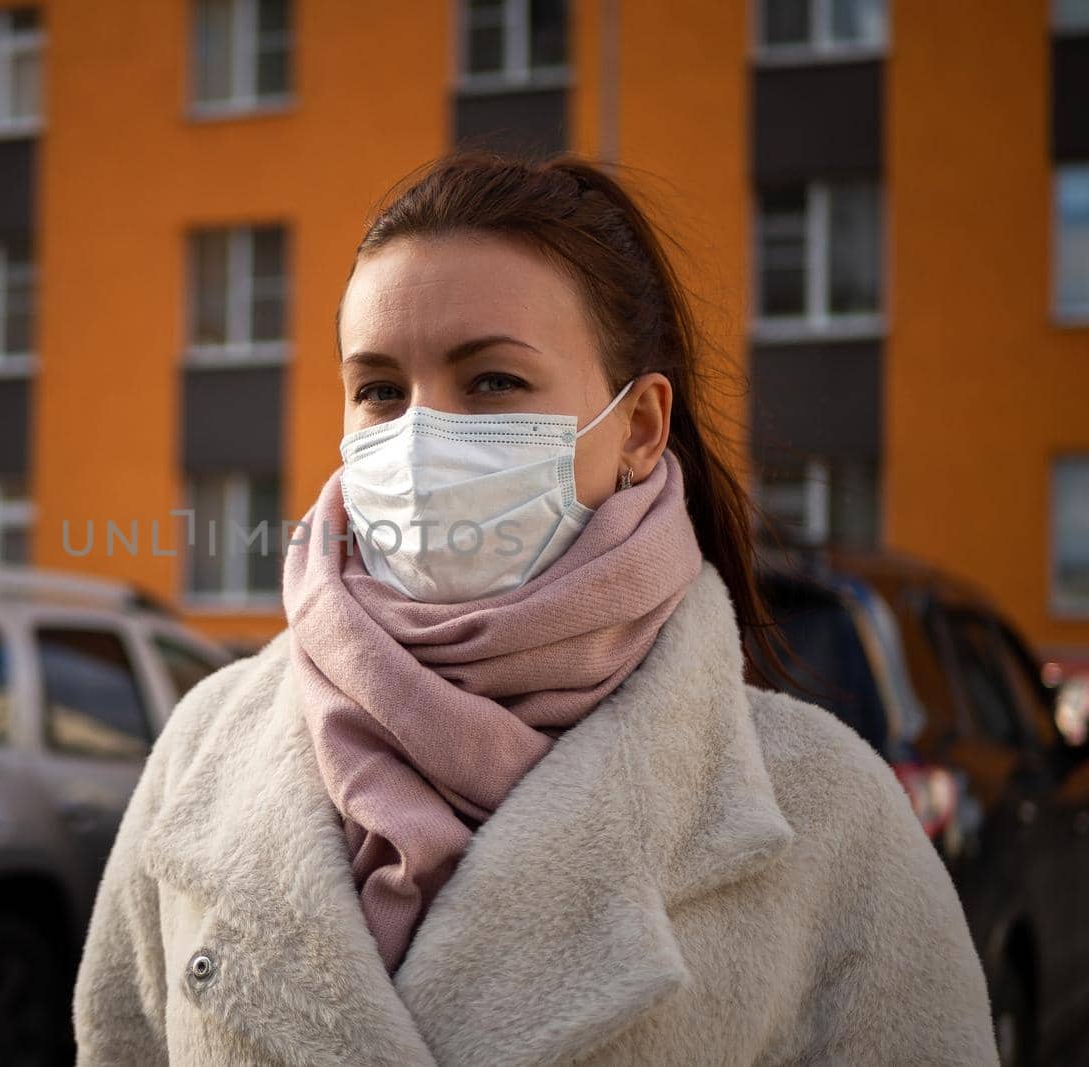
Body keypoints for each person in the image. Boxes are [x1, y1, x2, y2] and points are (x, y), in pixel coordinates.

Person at [72, 153, 998, 1065]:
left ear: (638, 429)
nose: (422, 434)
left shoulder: (830, 811)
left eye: (492, 382)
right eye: (381, 389)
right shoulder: (206, 747)